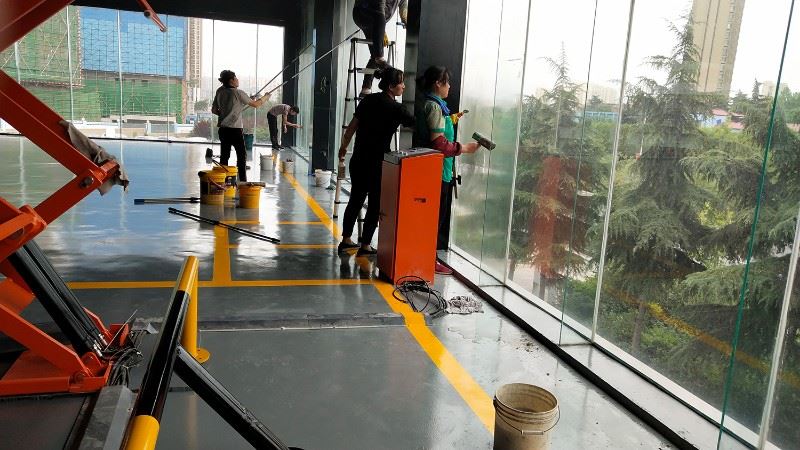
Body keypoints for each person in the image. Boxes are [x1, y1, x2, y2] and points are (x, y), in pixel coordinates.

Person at [338, 67, 414, 256]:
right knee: (374, 204)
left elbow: (351, 128)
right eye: (401, 83)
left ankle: (346, 239)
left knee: (355, 199)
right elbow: (414, 123)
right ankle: (365, 245)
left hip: (359, 159)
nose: (404, 86)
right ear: (391, 86)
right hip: (378, 163)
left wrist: (343, 148)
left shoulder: (367, 100)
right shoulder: (397, 108)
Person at [414, 66, 480, 275]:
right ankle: (428, 261)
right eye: (447, 83)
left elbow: (437, 129)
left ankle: (424, 258)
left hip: (433, 170)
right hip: (436, 172)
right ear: (438, 84)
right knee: (434, 221)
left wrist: (452, 119)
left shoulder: (433, 105)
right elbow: (439, 144)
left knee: (431, 219)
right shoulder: (434, 107)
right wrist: (465, 148)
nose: (449, 87)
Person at [212, 70, 268, 182]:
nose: (238, 80)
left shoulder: (220, 91)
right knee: (241, 156)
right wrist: (266, 97)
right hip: (235, 130)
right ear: (231, 80)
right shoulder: (238, 93)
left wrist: (226, 114)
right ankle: (242, 181)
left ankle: (223, 181)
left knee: (224, 156)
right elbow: (256, 104)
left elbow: (214, 110)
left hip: (223, 130)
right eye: (236, 78)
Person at [352, 0, 408, 97]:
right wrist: (381, 31)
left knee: (374, 53)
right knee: (378, 56)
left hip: (377, 20)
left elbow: (404, 7)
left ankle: (366, 89)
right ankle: (379, 58)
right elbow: (379, 7)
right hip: (363, 12)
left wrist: (405, 21)